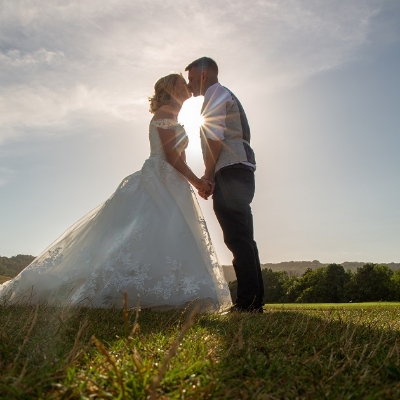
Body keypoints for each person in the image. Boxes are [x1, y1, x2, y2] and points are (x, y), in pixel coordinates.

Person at [0, 73, 232, 312]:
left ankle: (177, 291)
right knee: (148, 230)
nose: (186, 86)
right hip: (157, 179)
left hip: (174, 183)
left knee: (173, 232)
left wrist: (195, 182)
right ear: (170, 89)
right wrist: (196, 181)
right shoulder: (163, 115)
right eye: (181, 83)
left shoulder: (176, 119)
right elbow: (171, 156)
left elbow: (181, 157)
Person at [185, 57, 264, 313]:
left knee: (236, 237)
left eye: (191, 78)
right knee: (243, 237)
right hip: (239, 169)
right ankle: (253, 300)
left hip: (230, 171)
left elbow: (215, 136)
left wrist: (207, 174)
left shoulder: (215, 93)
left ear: (204, 74)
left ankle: (248, 303)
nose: (189, 84)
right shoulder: (221, 94)